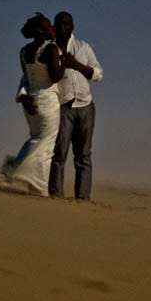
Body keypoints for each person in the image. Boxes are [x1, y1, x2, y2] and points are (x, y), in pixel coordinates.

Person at [0, 13, 64, 196]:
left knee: (38, 140)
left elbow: (27, 77)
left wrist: (22, 97)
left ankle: (39, 187)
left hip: (31, 101)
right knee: (44, 143)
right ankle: (9, 174)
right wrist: (65, 63)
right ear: (42, 31)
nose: (53, 29)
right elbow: (55, 76)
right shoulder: (51, 49)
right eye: (49, 26)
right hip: (48, 101)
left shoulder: (24, 52)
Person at [20, 11, 103, 200]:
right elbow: (29, 78)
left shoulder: (83, 47)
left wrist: (76, 65)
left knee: (83, 156)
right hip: (62, 107)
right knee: (58, 154)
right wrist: (23, 95)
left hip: (86, 106)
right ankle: (55, 197)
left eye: (67, 24)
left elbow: (99, 74)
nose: (62, 27)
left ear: (72, 27)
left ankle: (83, 199)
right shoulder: (49, 48)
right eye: (59, 24)